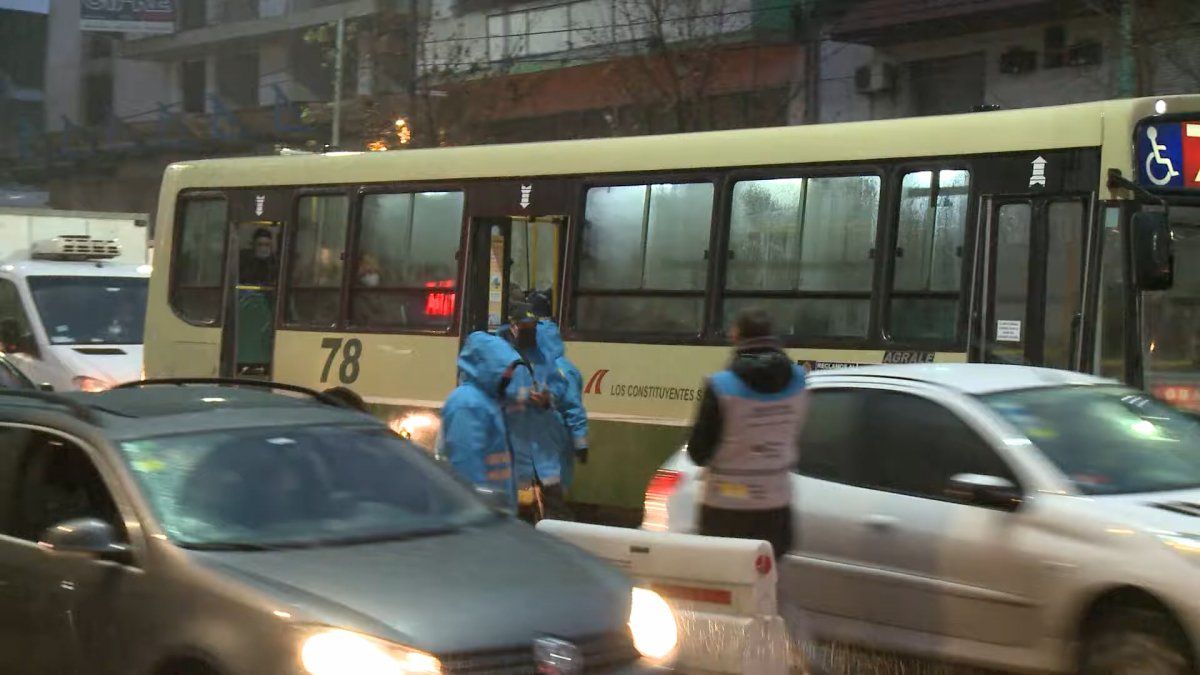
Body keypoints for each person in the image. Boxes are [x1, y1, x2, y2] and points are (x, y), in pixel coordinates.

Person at [686, 308, 808, 560]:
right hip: (776, 506)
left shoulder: (721, 386)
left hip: (726, 510)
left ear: (736, 336)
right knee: (765, 584)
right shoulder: (799, 380)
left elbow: (698, 452)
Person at [498, 301, 573, 521]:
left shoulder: (542, 353)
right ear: (512, 326)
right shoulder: (497, 354)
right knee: (511, 508)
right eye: (525, 326)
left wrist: (549, 396)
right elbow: (488, 387)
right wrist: (524, 396)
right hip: (512, 442)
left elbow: (559, 383)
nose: (530, 331)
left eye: (533, 326)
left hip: (542, 445)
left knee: (554, 503)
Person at [439, 332, 521, 509]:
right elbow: (466, 466)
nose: (509, 375)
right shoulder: (468, 404)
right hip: (481, 513)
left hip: (493, 512)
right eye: (504, 368)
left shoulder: (487, 401)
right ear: (486, 367)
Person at [526, 292, 589, 490]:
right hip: (547, 443)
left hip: (550, 442)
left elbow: (572, 408)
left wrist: (580, 443)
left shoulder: (557, 370)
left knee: (551, 492)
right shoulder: (554, 367)